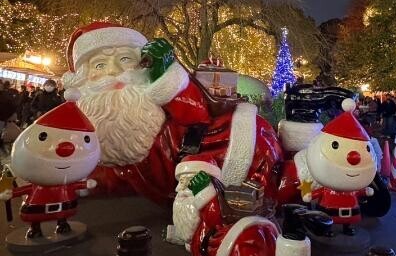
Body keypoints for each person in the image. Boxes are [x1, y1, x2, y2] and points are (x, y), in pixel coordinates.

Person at [61, 22, 283, 205]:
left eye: (125, 59)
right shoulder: (94, 118)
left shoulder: (158, 99)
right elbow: (119, 171)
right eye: (99, 65)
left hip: (222, 161)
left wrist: (166, 76)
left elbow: (195, 113)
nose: (113, 71)